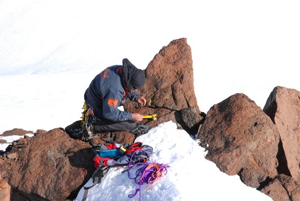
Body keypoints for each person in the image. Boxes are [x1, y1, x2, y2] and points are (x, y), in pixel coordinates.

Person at [65, 58, 151, 140]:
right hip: (98, 105)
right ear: (129, 81)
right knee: (130, 125)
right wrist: (131, 116)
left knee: (124, 113)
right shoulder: (114, 89)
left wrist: (136, 96)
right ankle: (93, 124)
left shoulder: (123, 71)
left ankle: (92, 114)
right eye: (135, 88)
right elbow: (110, 113)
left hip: (95, 96)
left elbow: (126, 87)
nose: (136, 90)